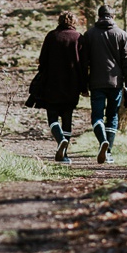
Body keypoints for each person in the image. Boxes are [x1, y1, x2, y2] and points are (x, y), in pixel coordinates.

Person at [79, 4, 127, 164]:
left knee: (97, 116)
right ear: (113, 16)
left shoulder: (89, 35)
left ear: (98, 16)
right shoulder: (122, 35)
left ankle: (102, 141)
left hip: (96, 83)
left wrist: (83, 85)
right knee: (112, 116)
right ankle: (108, 151)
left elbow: (83, 63)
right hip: (116, 83)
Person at [33, 11, 84, 163]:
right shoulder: (78, 38)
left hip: (51, 83)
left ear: (59, 21)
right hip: (72, 85)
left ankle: (60, 139)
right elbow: (83, 64)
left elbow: (42, 60)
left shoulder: (51, 36)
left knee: (52, 117)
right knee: (67, 119)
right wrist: (83, 86)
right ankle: (65, 153)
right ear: (74, 22)